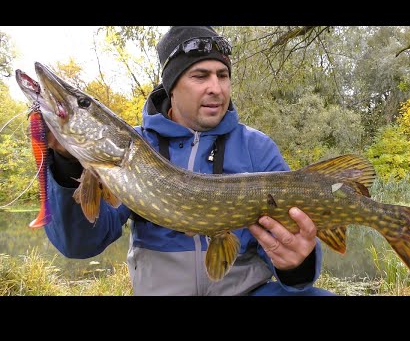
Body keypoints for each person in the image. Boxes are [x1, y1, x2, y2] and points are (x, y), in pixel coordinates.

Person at [44, 26, 335, 296]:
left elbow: (293, 248)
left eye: (222, 75)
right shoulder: (135, 148)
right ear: (172, 86)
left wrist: (297, 264)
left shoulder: (257, 148)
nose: (216, 88)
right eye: (200, 76)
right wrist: (67, 162)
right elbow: (80, 244)